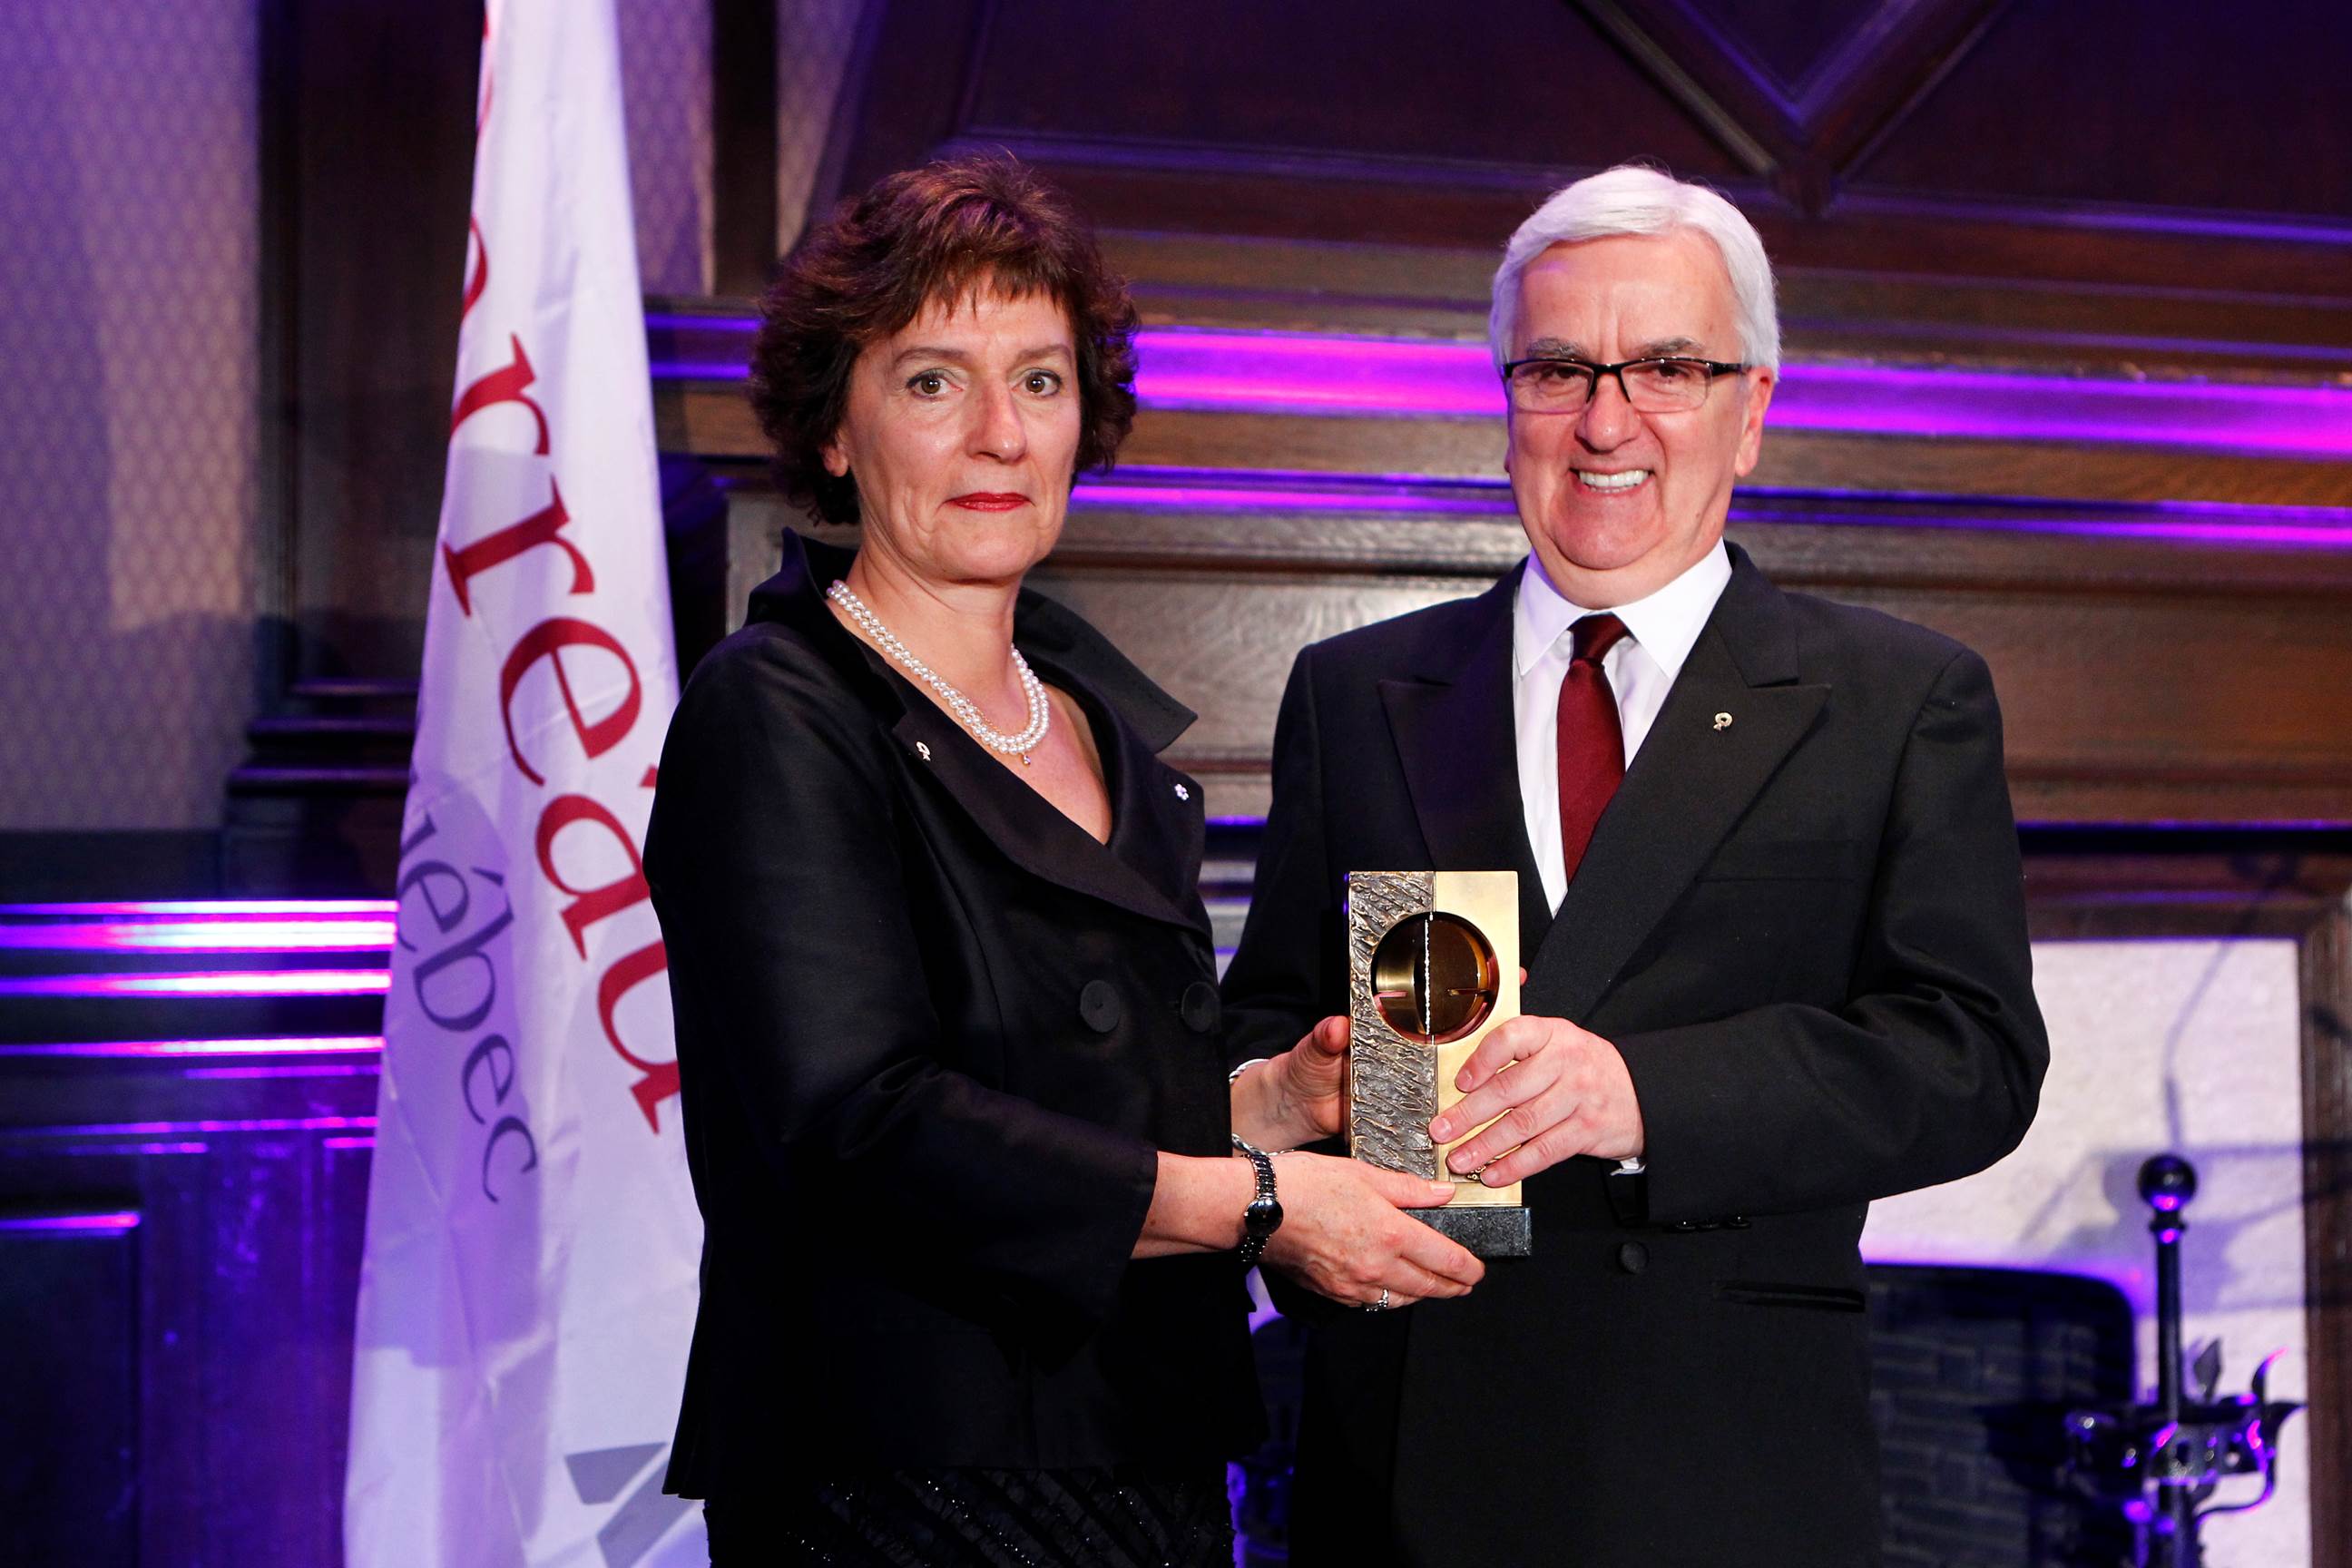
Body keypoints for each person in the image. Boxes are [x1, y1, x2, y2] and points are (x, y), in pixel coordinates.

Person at [643, 154, 1483, 1567]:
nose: (996, 436)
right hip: (898, 1477)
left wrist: (1272, 1101)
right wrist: (1265, 1208)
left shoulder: (1113, 737)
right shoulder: (776, 710)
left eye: (1039, 381)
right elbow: (864, 1125)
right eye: (931, 381)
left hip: (1139, 1446)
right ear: (834, 433)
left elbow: (1070, 1106)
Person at [1220, 164, 2049, 1566]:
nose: (1607, 421)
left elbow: (1971, 1061)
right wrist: (1295, 1130)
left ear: (1753, 410)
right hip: (1409, 1468)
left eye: (1667, 365)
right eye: (1556, 369)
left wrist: (1638, 1091)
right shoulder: (1355, 693)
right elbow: (1258, 1033)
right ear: (1505, 404)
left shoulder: (1897, 700)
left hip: (1726, 1477)